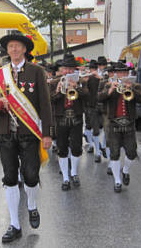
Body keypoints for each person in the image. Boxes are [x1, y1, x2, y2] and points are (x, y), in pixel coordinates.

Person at [0, 33, 52, 243]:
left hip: (30, 133)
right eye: (11, 47)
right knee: (10, 178)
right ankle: (15, 224)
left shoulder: (36, 71)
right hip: (6, 133)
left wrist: (47, 133)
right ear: (7, 50)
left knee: (30, 176)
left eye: (18, 46)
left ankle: (32, 205)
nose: (15, 50)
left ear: (25, 50)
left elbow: (45, 104)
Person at [98, 72, 141, 193]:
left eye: (124, 72)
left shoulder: (136, 86)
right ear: (117, 75)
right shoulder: (109, 85)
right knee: (114, 152)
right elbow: (100, 98)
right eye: (120, 73)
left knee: (131, 152)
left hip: (129, 124)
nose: (122, 75)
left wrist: (131, 88)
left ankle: (125, 171)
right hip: (114, 123)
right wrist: (111, 89)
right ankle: (117, 181)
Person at [51, 54, 88, 191]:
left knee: (77, 147)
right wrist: (59, 90)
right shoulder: (55, 82)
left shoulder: (81, 81)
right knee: (62, 148)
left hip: (76, 118)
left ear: (74, 70)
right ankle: (66, 178)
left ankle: (74, 173)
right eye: (65, 68)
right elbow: (51, 100)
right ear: (61, 69)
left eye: (70, 69)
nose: (67, 71)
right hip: (61, 118)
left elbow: (87, 97)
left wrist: (76, 86)